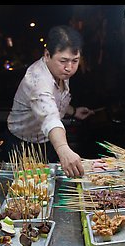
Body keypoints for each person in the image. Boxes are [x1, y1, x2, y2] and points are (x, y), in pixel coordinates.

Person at [6, 25, 95, 178]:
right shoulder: (37, 80)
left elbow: (54, 101)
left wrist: (73, 111)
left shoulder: (59, 72)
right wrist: (63, 148)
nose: (69, 68)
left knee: (53, 183)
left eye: (75, 61)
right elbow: (49, 118)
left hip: (47, 141)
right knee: (29, 191)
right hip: (23, 145)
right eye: (64, 61)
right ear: (47, 55)